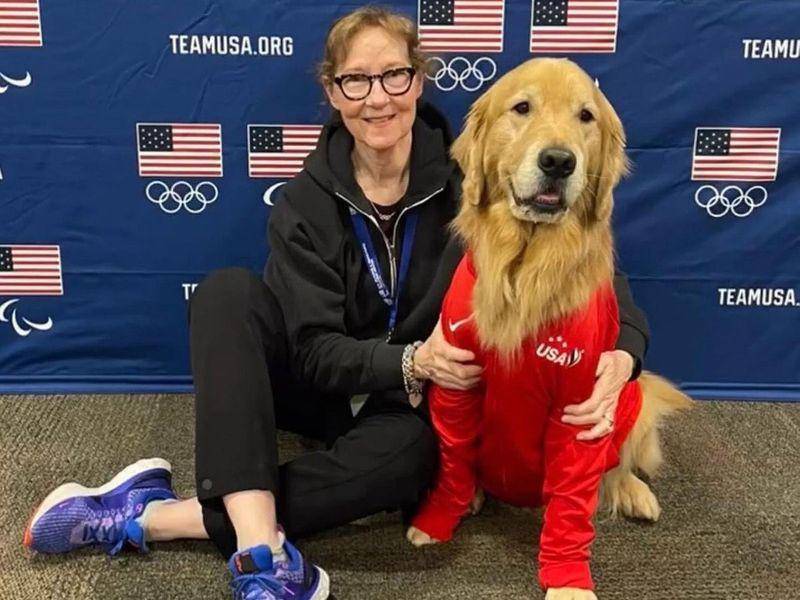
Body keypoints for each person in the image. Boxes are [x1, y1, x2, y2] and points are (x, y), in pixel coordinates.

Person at [22, 6, 650, 600]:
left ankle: (162, 518)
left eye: (394, 75)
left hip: (399, 410)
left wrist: (624, 354)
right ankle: (256, 547)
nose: (377, 97)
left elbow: (592, 272)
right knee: (225, 294)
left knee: (413, 461)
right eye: (355, 80)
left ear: (419, 81)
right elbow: (313, 351)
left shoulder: (476, 178)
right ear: (332, 92)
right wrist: (410, 362)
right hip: (328, 378)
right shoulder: (304, 200)